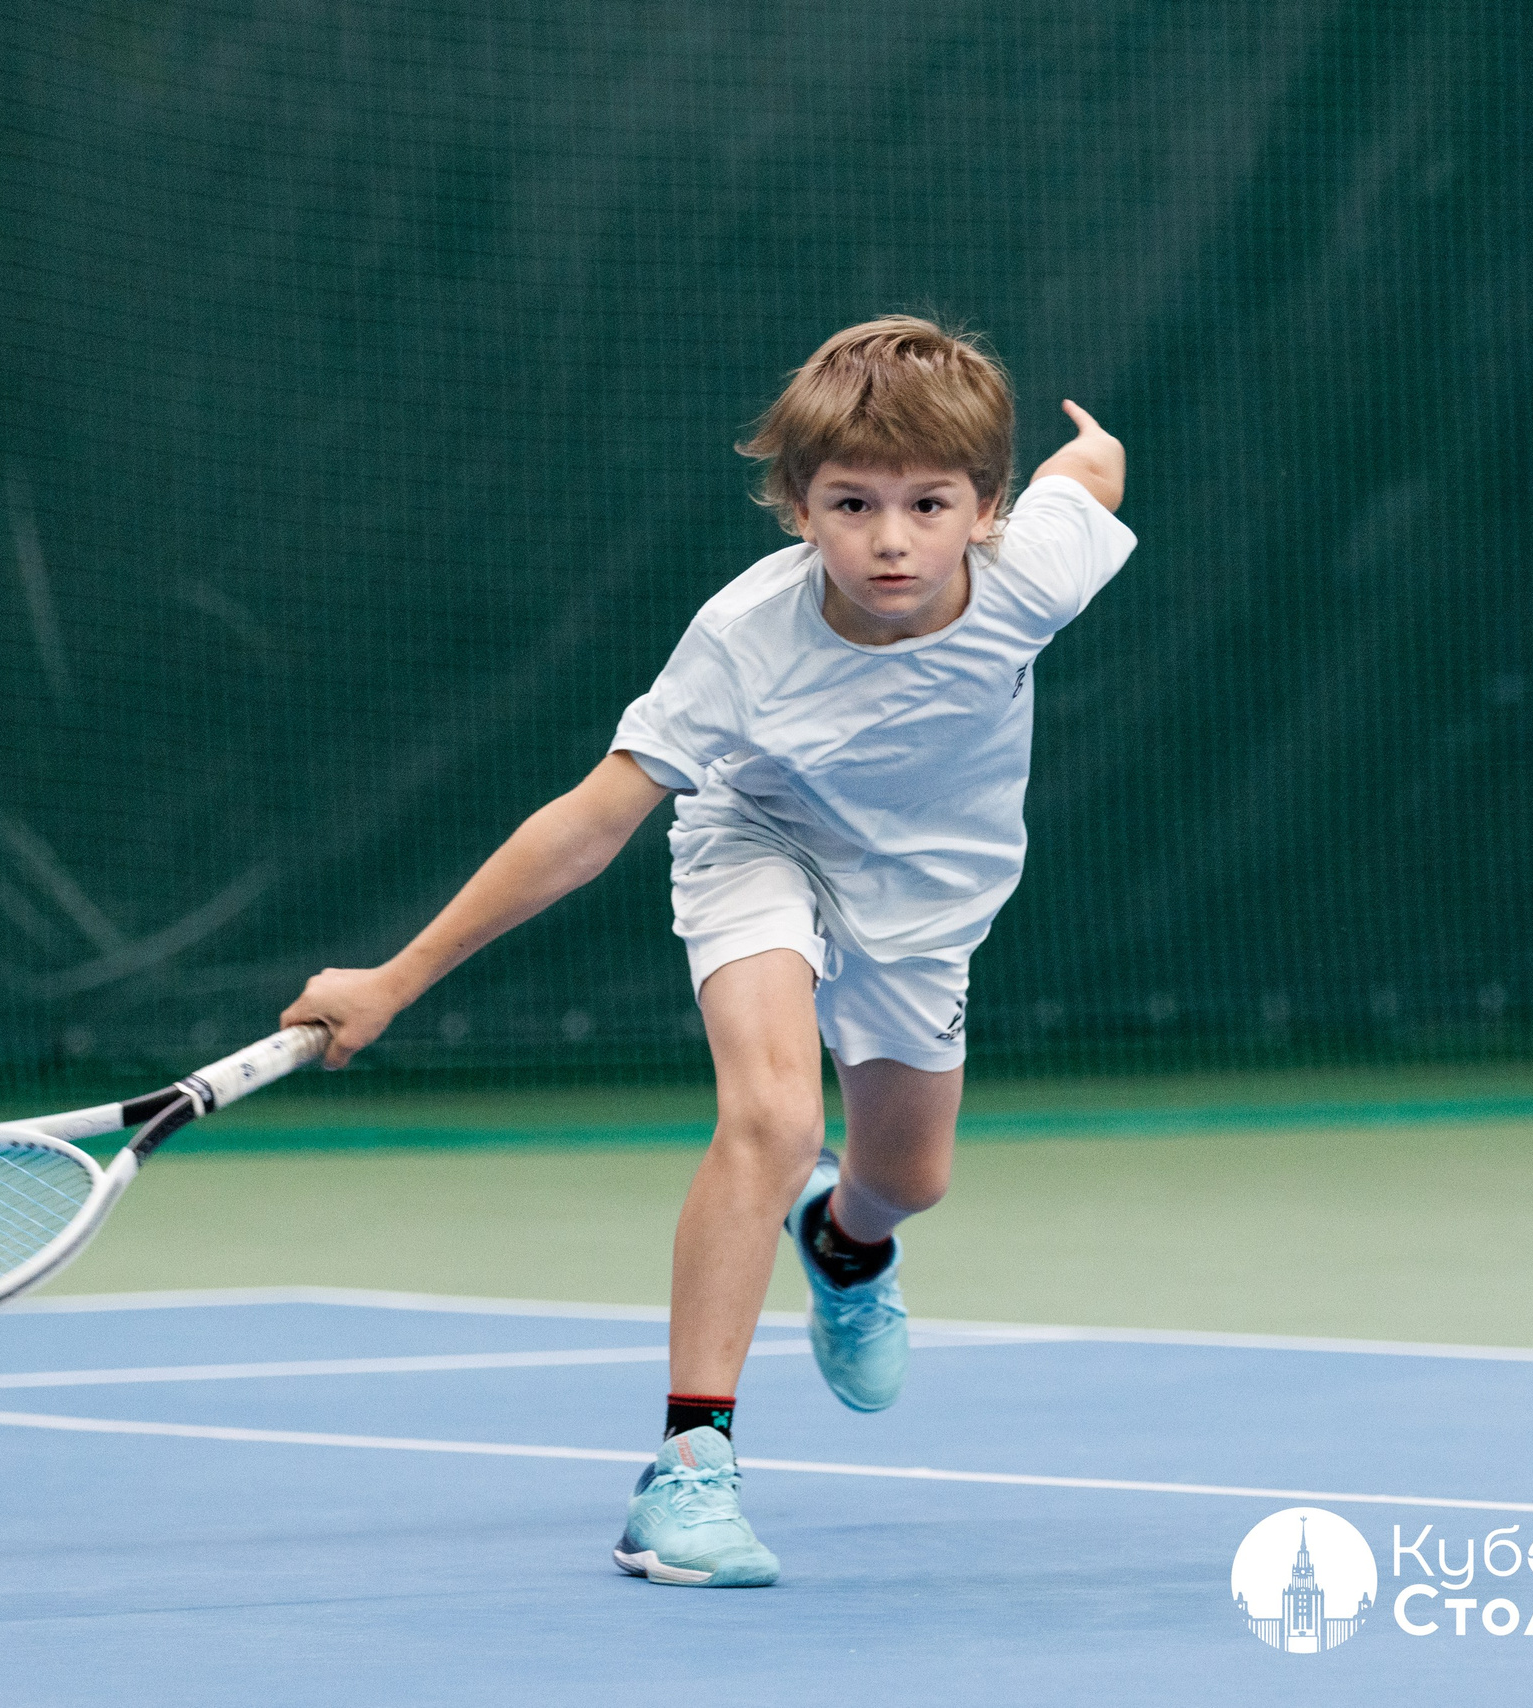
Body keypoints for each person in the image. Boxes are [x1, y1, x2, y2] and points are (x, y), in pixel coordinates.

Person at [282, 315, 1132, 1585]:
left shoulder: (1033, 572)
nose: (890, 539)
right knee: (774, 1115)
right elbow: (584, 827)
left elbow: (1090, 480)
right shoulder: (742, 641)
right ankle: (687, 1472)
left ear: (985, 508)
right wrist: (394, 979)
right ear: (795, 508)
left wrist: (1094, 449)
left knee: (909, 1179)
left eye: (927, 502)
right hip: (759, 844)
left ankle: (844, 1244)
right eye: (850, 502)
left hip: (929, 903)